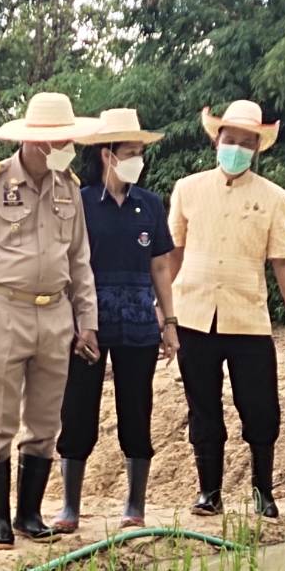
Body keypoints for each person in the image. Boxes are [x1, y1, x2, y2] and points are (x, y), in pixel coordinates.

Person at [0, 92, 100, 549]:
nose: (66, 147)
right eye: (60, 140)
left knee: (44, 419)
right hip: (4, 309)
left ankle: (29, 513)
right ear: (36, 141)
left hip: (54, 312)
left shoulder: (69, 187)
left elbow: (79, 261)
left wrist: (86, 320)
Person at [168, 99, 285, 520]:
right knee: (203, 407)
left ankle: (263, 492)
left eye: (246, 143)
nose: (236, 148)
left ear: (257, 148)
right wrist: (163, 310)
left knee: (260, 406)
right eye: (229, 139)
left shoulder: (273, 197)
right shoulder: (188, 189)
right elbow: (172, 252)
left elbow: (284, 260)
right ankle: (208, 492)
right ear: (216, 140)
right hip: (193, 313)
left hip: (248, 317)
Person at [51, 109, 177, 532]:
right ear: (107, 155)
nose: (137, 160)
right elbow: (68, 263)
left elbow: (161, 266)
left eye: (140, 152)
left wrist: (169, 321)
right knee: (79, 407)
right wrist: (71, 321)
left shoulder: (150, 205)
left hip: (139, 321)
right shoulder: (81, 202)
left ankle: (134, 505)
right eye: (130, 152)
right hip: (89, 320)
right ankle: (70, 506)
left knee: (136, 408)